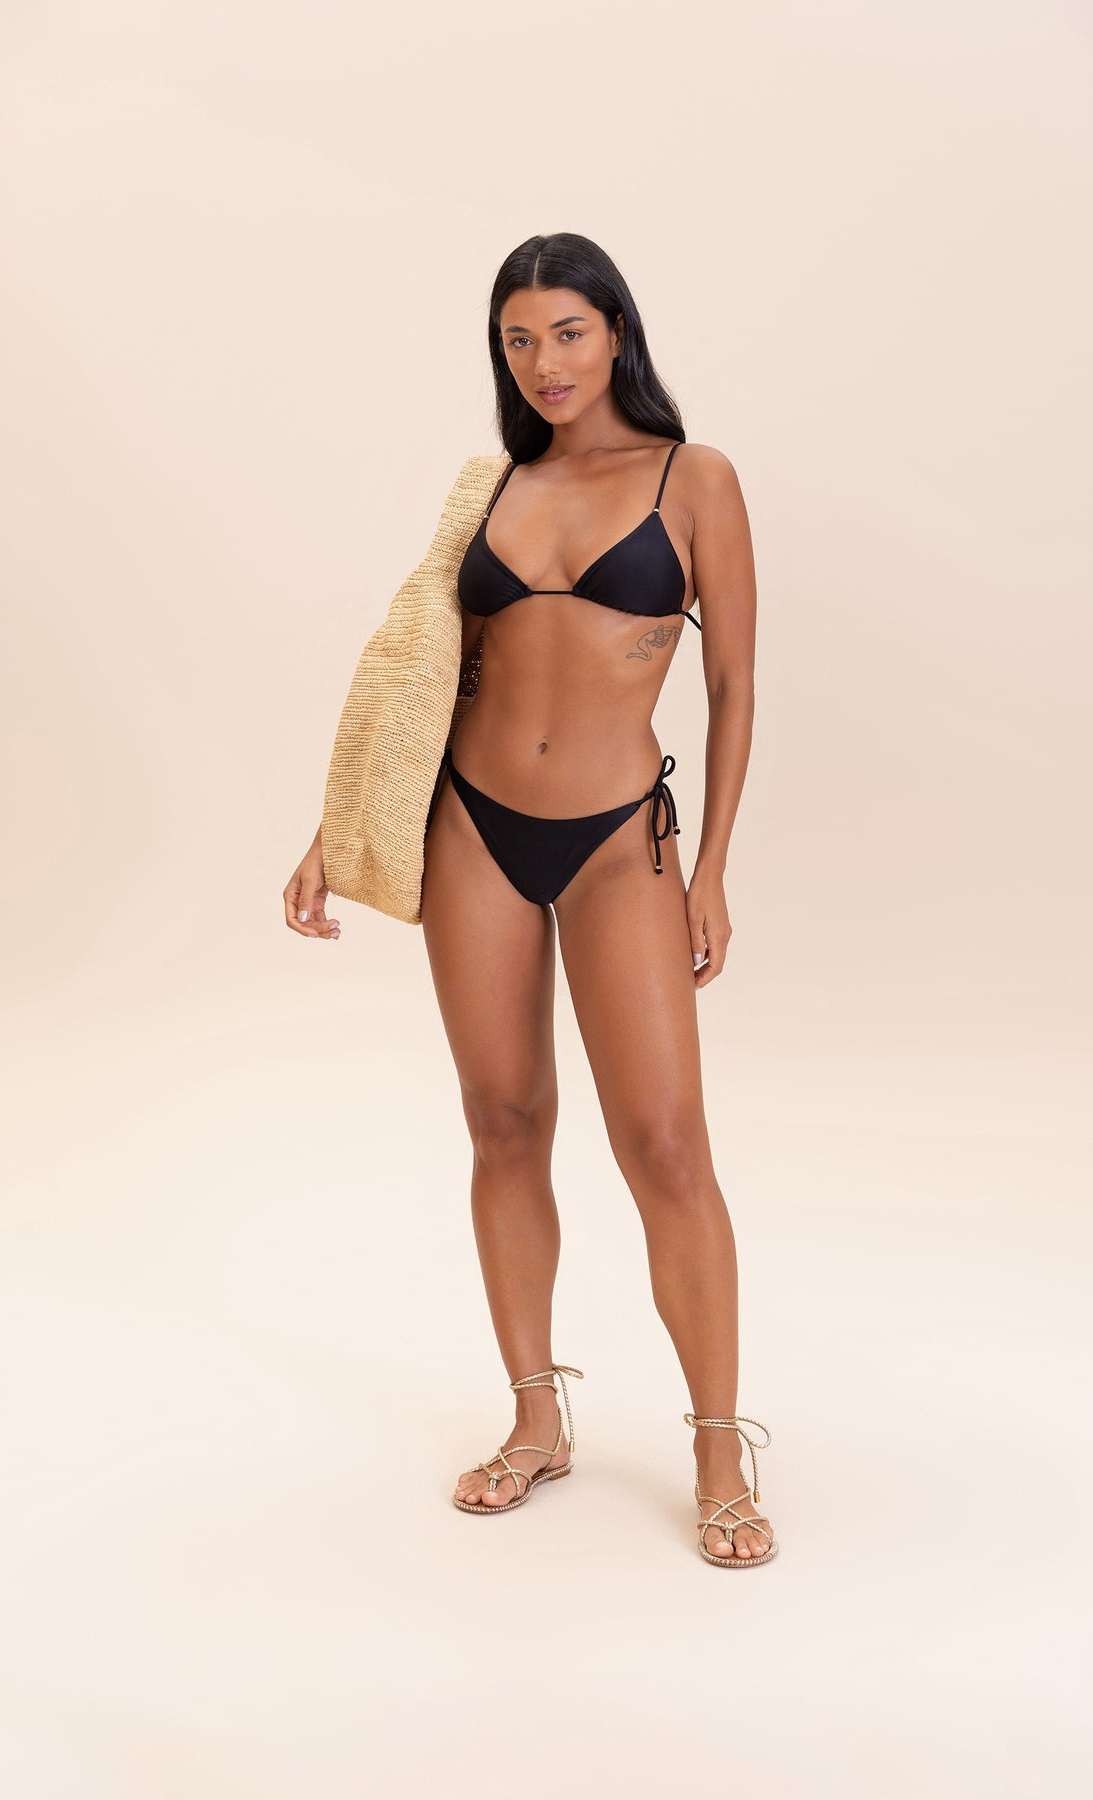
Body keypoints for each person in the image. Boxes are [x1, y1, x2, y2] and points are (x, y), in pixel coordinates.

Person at [284, 232, 776, 1567]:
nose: (544, 362)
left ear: (616, 332)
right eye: (518, 339)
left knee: (665, 1147)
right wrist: (340, 826)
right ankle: (536, 1418)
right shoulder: (491, 488)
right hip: (474, 828)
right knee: (503, 1122)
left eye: (567, 332)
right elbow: (418, 670)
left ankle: (718, 1446)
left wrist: (713, 867)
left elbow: (733, 684)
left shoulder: (693, 478)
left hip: (621, 839)